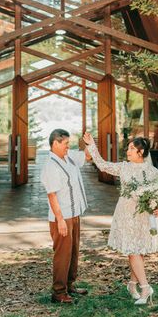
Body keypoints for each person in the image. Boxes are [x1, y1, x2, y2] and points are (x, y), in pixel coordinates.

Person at [83, 131, 158, 305]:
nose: (128, 151)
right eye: (128, 148)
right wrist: (91, 146)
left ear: (141, 152)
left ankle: (132, 285)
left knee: (138, 250)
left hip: (144, 216)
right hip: (126, 214)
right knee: (132, 250)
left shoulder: (152, 171)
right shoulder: (124, 167)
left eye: (132, 148)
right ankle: (146, 287)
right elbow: (102, 165)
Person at [40, 128, 91, 304]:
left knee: (73, 252)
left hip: (75, 212)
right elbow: (52, 195)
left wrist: (89, 142)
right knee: (62, 255)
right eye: (66, 143)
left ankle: (70, 285)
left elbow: (87, 156)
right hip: (62, 217)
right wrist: (60, 220)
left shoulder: (68, 157)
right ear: (55, 143)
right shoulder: (51, 166)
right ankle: (58, 292)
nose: (68, 146)